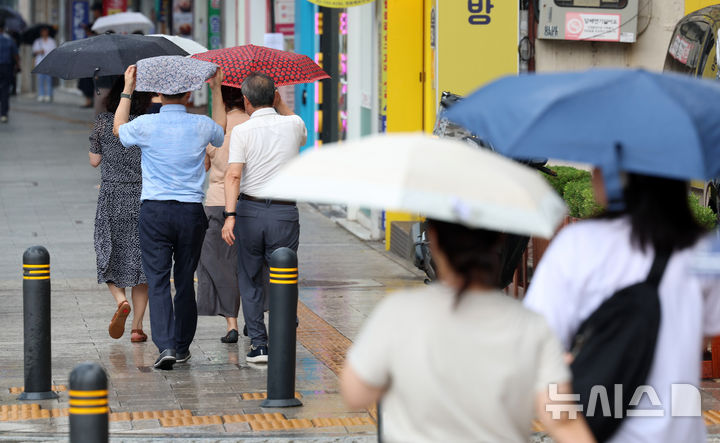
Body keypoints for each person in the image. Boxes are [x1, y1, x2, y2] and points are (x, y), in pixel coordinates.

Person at [340, 219, 594, 442]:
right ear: (498, 241)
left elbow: (356, 393)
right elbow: (560, 418)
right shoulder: (531, 325)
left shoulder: (399, 311)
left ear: (435, 240)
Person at [524, 170, 720, 443]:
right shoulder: (703, 250)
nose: (594, 172)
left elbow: (536, 357)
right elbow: (695, 344)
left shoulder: (580, 244)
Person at [114, 65, 226, 370]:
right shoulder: (201, 125)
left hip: (155, 212)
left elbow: (118, 129)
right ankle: (182, 345)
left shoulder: (147, 124)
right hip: (191, 212)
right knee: (186, 280)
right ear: (189, 95)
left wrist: (127, 88)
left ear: (158, 96)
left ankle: (165, 347)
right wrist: (216, 89)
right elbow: (221, 129)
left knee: (158, 280)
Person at [221, 72, 306, 363]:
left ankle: (259, 345)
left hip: (250, 212)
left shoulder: (242, 131)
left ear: (245, 101)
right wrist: (279, 103)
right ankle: (285, 332)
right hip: (284, 212)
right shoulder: (294, 124)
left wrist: (229, 216)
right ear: (275, 97)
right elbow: (296, 123)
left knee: (250, 277)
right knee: (284, 274)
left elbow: (233, 175)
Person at [89, 78, 152, 343]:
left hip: (112, 195)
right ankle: (137, 328)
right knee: (140, 263)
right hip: (141, 195)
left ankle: (120, 300)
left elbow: (94, 161)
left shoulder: (102, 123)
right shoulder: (146, 125)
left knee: (107, 252)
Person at [197, 86, 249, 343]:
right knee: (251, 264)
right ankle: (254, 319)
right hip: (249, 204)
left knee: (221, 264)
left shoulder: (215, 129)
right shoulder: (254, 126)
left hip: (217, 203)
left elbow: (205, 166)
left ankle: (232, 325)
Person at [0, 18, 19, 123]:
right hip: (6, 67)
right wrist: (17, 64)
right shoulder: (9, 40)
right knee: (5, 90)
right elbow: (15, 55)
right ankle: (3, 114)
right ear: (3, 28)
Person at [32, 26, 56, 103]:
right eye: (43, 31)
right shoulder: (37, 41)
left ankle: (48, 95)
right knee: (40, 79)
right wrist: (39, 51)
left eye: (46, 31)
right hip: (40, 62)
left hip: (49, 63)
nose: (44, 33)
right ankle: (41, 94)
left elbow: (54, 51)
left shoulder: (51, 41)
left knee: (48, 79)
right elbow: (34, 52)